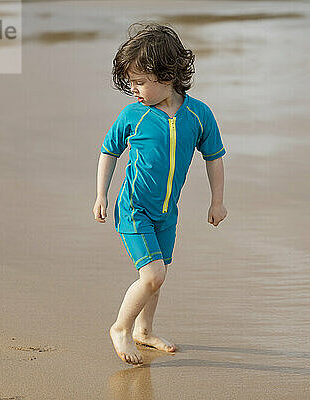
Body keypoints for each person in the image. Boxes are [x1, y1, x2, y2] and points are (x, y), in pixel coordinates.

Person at [93, 22, 227, 366]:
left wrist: (217, 200)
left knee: (157, 274)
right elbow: (109, 151)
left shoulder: (199, 115)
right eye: (131, 83)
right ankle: (120, 328)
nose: (134, 90)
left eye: (139, 82)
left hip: (167, 213)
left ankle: (144, 330)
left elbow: (214, 157)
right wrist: (101, 195)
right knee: (153, 275)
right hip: (134, 208)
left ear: (166, 75)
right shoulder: (133, 115)